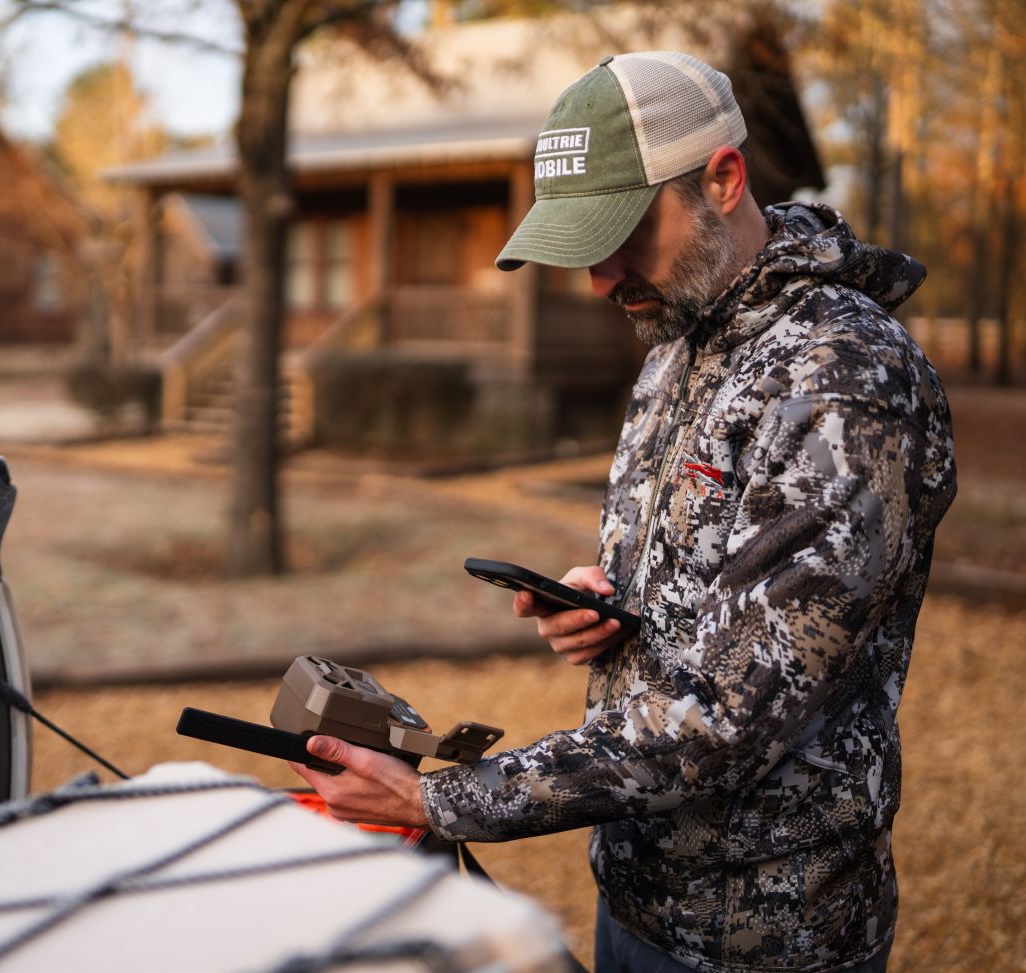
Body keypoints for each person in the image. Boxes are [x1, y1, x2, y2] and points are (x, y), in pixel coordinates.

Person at [289, 51, 956, 973]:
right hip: (639, 891)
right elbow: (715, 595)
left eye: (621, 235)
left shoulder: (843, 378)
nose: (601, 279)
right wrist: (612, 611)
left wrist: (441, 802)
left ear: (724, 178)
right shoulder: (675, 346)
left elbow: (729, 711)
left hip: (769, 935)